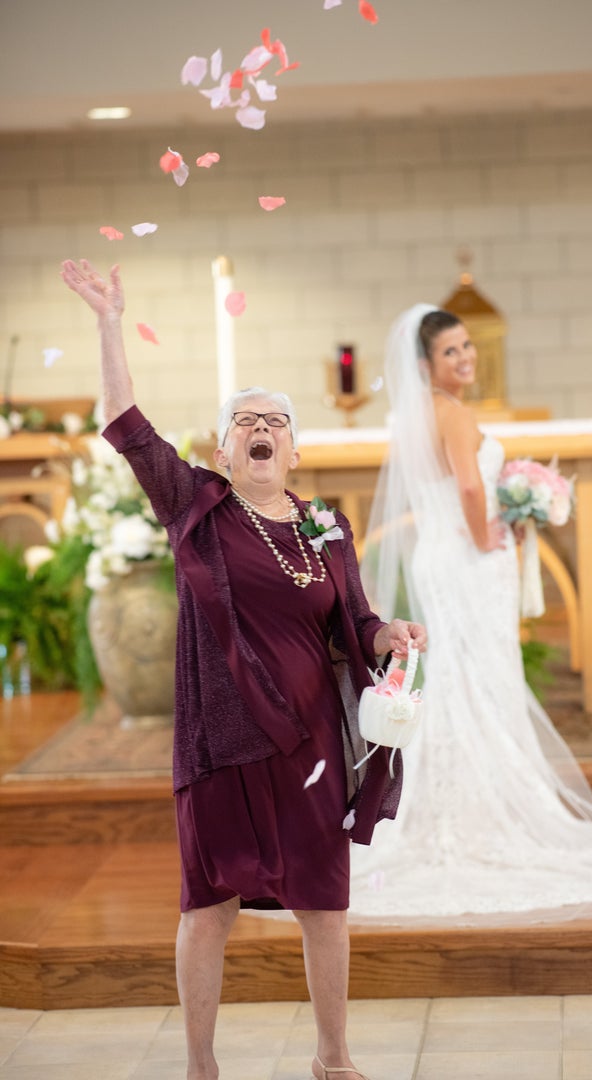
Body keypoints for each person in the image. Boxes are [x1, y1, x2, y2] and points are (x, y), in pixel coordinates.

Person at [60, 259, 427, 1080]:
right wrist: (108, 321)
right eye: (244, 421)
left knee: (324, 907)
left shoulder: (328, 531)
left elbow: (356, 627)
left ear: (294, 447)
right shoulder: (198, 507)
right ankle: (200, 1067)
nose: (262, 429)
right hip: (222, 747)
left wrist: (390, 636)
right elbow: (124, 422)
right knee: (209, 906)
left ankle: (333, 1061)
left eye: (276, 420)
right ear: (224, 448)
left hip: (312, 748)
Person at [349, 303, 592, 925]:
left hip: (442, 557)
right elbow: (468, 487)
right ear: (425, 364)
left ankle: (452, 808)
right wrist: (489, 535)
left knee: (464, 681)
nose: (465, 359)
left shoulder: (419, 415)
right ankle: (480, 813)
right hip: (467, 558)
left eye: (468, 347)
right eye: (451, 352)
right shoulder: (455, 414)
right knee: (482, 681)